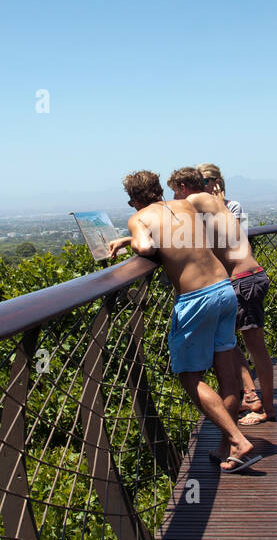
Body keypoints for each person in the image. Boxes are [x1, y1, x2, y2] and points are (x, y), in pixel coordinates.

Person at [106, 171, 261, 473]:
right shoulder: (186, 206)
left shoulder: (139, 217)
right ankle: (227, 447)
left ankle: (238, 440)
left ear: (135, 199)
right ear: (159, 189)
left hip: (196, 299)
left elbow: (146, 248)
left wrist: (133, 238)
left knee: (190, 377)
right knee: (226, 373)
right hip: (223, 290)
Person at [179, 166, 275, 425]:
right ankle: (253, 397)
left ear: (184, 187)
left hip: (242, 281)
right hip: (247, 278)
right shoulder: (217, 204)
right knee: (228, 341)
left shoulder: (196, 200)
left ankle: (267, 409)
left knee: (257, 349)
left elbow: (168, 217)